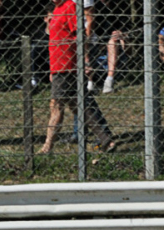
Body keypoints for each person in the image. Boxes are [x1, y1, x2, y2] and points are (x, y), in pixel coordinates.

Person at [37, 0, 114, 154]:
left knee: (57, 105)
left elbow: (80, 34)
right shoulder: (57, 9)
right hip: (58, 66)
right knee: (79, 104)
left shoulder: (70, 6)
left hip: (67, 65)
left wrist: (83, 59)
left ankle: (47, 146)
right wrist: (53, 70)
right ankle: (105, 139)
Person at [89, 0, 127, 94]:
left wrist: (120, 34)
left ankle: (109, 80)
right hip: (95, 45)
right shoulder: (92, 6)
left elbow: (126, 32)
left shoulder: (120, 6)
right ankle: (89, 82)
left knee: (113, 42)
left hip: (114, 48)